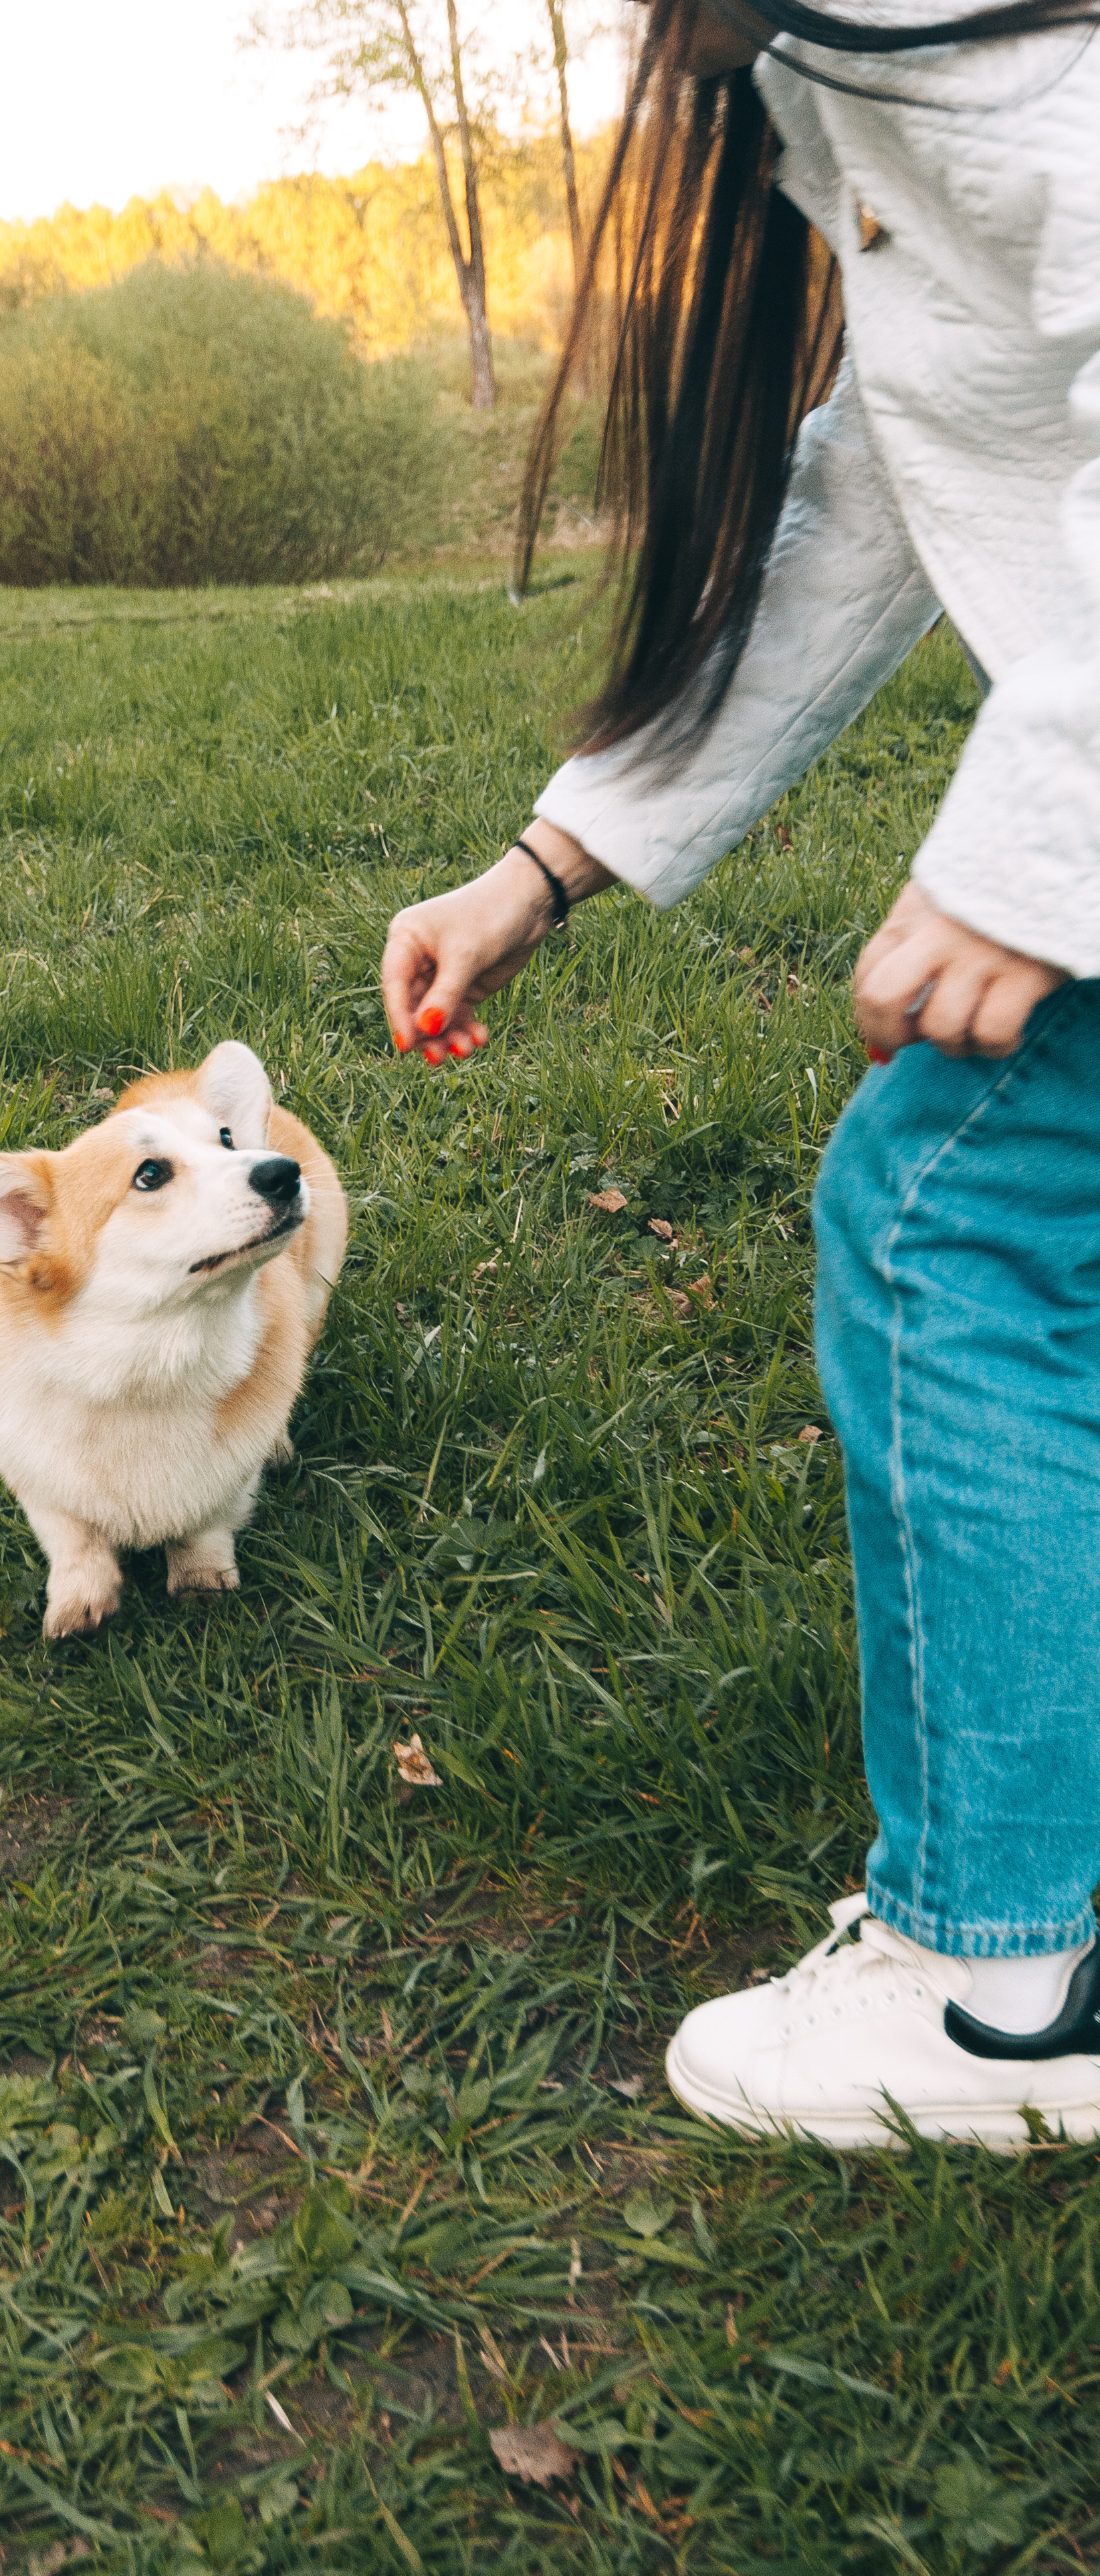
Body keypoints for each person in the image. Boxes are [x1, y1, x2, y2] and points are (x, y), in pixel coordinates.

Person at [378, 0, 1100, 2146]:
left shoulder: (996, 52)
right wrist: (556, 853)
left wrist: (1039, 844)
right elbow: (884, 479)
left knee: (944, 1214)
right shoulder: (862, 61)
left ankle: (999, 1996)